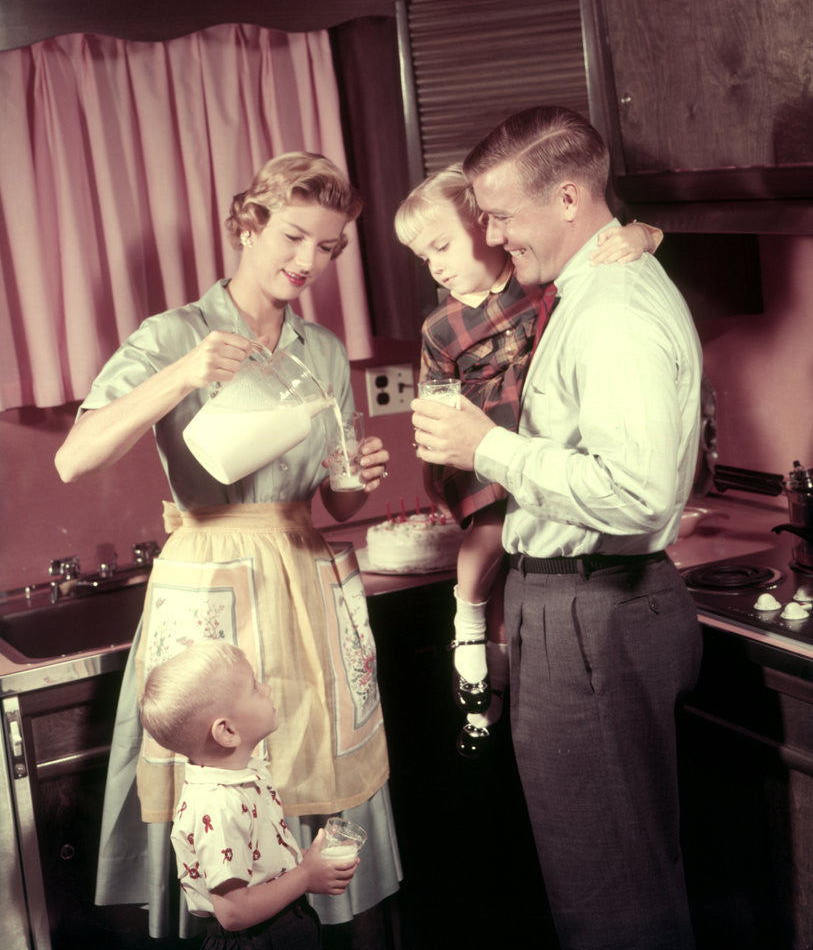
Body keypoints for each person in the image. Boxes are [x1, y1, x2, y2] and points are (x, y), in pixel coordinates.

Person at [54, 152, 401, 941]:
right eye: (292, 236)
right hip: (209, 582)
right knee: (218, 780)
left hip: (302, 580)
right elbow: (75, 458)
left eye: (327, 247)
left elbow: (337, 498)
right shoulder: (174, 334)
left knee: (309, 757)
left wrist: (357, 479)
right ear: (247, 224)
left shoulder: (320, 348)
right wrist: (184, 373)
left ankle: (313, 923)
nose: (307, 261)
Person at [411, 107, 703, 950]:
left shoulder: (610, 312)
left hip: (591, 612)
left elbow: (637, 495)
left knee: (610, 897)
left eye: (501, 215)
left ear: (569, 198)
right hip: (579, 609)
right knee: (612, 877)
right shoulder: (584, 290)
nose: (492, 237)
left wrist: (486, 447)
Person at [395, 163, 662, 757]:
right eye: (424, 256)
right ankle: (467, 628)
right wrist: (440, 466)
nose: (435, 265)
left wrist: (643, 235)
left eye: (442, 246)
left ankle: (495, 681)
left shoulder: (535, 281)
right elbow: (433, 399)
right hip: (482, 450)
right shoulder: (440, 327)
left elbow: (604, 247)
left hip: (539, 447)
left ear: (485, 226)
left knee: (516, 569)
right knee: (489, 539)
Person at [139, 639, 358, 949]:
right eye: (255, 688)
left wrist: (307, 862)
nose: (267, 688)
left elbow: (257, 862)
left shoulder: (243, 776)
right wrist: (306, 876)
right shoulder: (218, 806)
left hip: (282, 926)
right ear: (227, 731)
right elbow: (233, 912)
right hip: (255, 941)